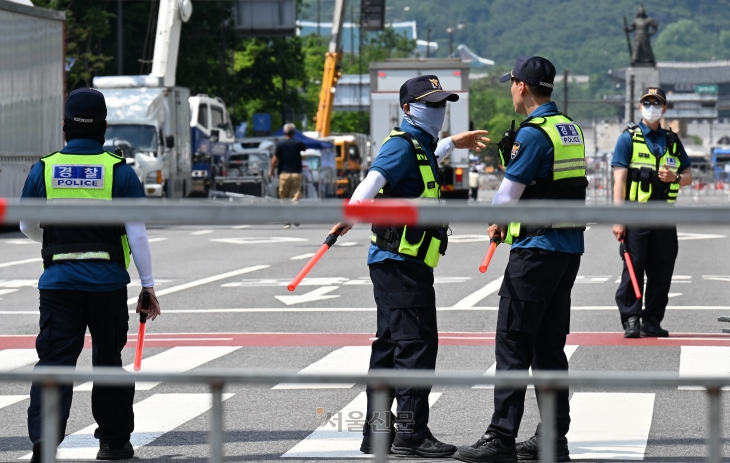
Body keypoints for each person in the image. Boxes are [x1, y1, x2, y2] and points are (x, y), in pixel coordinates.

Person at [330, 75, 489, 458]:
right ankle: (411, 433)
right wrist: (350, 214)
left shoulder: (419, 145)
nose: (439, 111)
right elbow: (374, 179)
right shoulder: (401, 145)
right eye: (431, 104)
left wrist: (455, 142)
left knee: (390, 347)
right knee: (416, 347)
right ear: (408, 108)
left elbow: (428, 157)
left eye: (442, 104)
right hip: (400, 264)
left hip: (400, 263)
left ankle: (378, 433)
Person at [453, 56, 587, 463]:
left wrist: (495, 221)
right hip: (566, 250)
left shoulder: (532, 135)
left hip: (535, 252)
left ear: (522, 86)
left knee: (512, 343)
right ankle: (552, 438)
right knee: (549, 348)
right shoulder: (570, 128)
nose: (510, 89)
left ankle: (500, 437)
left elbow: (508, 195)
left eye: (511, 83)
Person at [20, 88, 161, 462]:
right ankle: (113, 443)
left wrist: (52, 242)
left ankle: (45, 442)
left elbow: (25, 225)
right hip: (108, 283)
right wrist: (147, 286)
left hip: (58, 283)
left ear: (64, 126)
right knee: (108, 362)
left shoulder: (44, 168)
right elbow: (138, 233)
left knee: (54, 361)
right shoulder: (119, 171)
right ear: (104, 127)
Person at [612, 87, 692, 338]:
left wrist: (675, 177)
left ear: (664, 109)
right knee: (633, 267)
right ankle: (631, 318)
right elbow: (620, 181)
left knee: (663, 268)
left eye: (656, 104)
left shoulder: (671, 140)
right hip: (637, 213)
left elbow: (688, 176)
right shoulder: (628, 138)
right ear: (640, 107)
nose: (652, 107)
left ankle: (652, 319)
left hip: (665, 215)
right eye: (647, 103)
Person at [269, 122, 305, 227]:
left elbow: (274, 160)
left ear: (284, 132)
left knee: (284, 198)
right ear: (294, 133)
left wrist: (271, 172)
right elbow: (304, 151)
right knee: (296, 197)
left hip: (283, 174)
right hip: (296, 174)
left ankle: (287, 221)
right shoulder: (299, 144)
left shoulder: (280, 145)